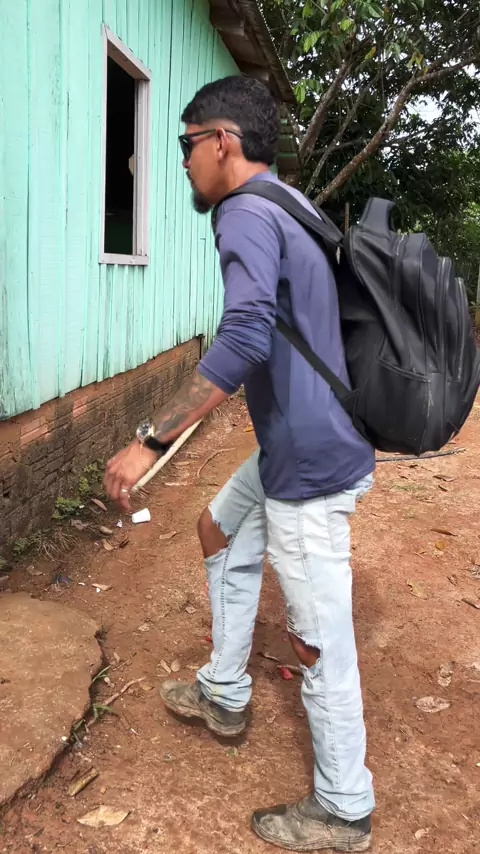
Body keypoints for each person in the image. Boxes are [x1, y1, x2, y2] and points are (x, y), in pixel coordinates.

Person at [103, 75, 375, 853]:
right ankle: (224, 691)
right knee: (217, 529)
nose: (182, 160)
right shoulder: (288, 202)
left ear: (222, 141)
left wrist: (150, 440)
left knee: (318, 640)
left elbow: (247, 333)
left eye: (186, 144)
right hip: (302, 440)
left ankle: (344, 809)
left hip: (311, 463)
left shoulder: (246, 212)